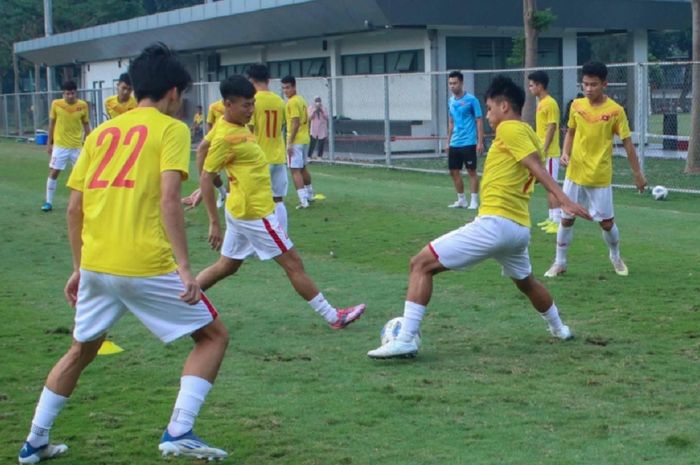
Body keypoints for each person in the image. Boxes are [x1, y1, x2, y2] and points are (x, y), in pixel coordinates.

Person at [17, 44, 230, 464]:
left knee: (81, 349)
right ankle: (179, 430)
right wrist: (186, 268)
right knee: (212, 336)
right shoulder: (171, 129)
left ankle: (35, 440)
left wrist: (79, 268)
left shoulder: (101, 132)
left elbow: (74, 206)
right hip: (145, 263)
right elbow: (171, 198)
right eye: (182, 95)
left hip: (97, 264)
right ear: (173, 92)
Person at [367, 76, 591, 359]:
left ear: (504, 106)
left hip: (495, 225)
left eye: (489, 108)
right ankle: (560, 328)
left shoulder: (511, 128)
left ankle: (406, 338)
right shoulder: (527, 134)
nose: (487, 116)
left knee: (420, 264)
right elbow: (531, 166)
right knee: (527, 283)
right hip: (517, 229)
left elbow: (534, 166)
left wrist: (564, 200)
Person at [196, 74, 365, 330]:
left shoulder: (227, 124)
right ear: (228, 104)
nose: (251, 110)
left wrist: (201, 190)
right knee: (294, 264)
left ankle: (182, 298)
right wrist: (212, 222)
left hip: (240, 209)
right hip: (255, 214)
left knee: (227, 265)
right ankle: (334, 317)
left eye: (252, 103)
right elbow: (207, 174)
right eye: (245, 105)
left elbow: (201, 154)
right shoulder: (226, 137)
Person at [543, 62, 647, 278]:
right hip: (575, 173)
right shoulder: (576, 105)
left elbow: (628, 143)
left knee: (607, 223)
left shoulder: (616, 111)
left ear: (604, 84)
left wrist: (638, 174)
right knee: (566, 218)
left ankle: (615, 256)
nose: (588, 89)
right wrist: (565, 152)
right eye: (585, 85)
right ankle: (560, 262)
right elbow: (570, 132)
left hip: (600, 175)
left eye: (593, 85)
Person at [246, 63, 290, 232]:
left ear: (252, 80)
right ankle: (283, 237)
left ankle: (258, 241)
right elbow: (281, 127)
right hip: (278, 156)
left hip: (260, 157)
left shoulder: (253, 102)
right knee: (278, 199)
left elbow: (249, 130)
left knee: (255, 201)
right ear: (269, 80)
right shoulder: (279, 101)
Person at [42, 80, 90, 212]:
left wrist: (89, 141)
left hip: (77, 147)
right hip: (60, 146)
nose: (70, 96)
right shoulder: (56, 104)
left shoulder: (83, 105)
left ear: (76, 93)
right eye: (67, 93)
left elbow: (86, 124)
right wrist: (49, 143)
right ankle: (48, 202)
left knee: (83, 175)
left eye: (72, 93)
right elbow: (52, 124)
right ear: (63, 93)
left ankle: (85, 203)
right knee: (54, 172)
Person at [527, 70, 562, 234]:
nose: (530, 88)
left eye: (532, 85)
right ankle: (551, 217)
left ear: (540, 86)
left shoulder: (550, 103)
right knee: (548, 186)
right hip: (543, 152)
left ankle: (557, 220)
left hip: (550, 153)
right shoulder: (541, 102)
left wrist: (544, 149)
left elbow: (552, 126)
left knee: (551, 185)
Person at [445, 70, 484, 210]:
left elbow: (479, 120)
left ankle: (474, 200)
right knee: (454, 171)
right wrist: (448, 141)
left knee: (471, 171)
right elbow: (451, 122)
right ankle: (461, 200)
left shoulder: (472, 100)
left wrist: (480, 142)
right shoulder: (450, 101)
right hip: (455, 142)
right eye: (450, 83)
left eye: (454, 83)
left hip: (469, 142)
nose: (452, 86)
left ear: (461, 83)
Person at [281, 75, 314, 209]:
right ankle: (310, 194)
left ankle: (303, 200)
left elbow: (295, 122)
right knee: (302, 168)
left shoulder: (292, 102)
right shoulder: (301, 100)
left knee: (294, 170)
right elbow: (308, 119)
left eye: (288, 87)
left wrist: (289, 142)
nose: (285, 90)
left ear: (294, 86)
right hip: (305, 139)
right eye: (283, 88)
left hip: (296, 140)